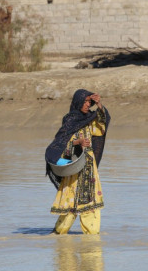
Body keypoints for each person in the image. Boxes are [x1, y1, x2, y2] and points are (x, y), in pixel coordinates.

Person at [45, 89, 111, 234]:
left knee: (90, 205)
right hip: (74, 168)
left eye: (90, 101)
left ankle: (92, 241)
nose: (88, 104)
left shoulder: (90, 119)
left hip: (89, 168)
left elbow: (101, 129)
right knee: (70, 205)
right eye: (85, 101)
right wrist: (77, 142)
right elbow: (60, 142)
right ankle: (59, 235)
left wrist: (99, 105)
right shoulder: (69, 120)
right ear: (78, 102)